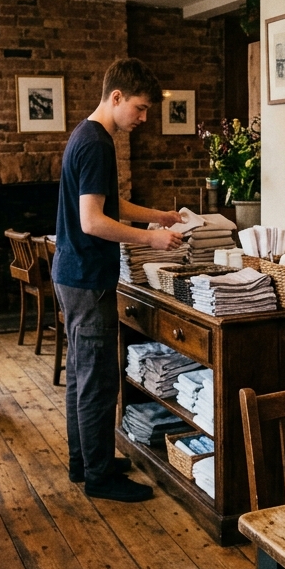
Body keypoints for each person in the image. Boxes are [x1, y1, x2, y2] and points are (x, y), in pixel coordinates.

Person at [54, 58, 184, 502]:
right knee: (97, 381)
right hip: (87, 278)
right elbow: (93, 222)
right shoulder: (97, 143)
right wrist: (154, 242)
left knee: (82, 375)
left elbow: (110, 203)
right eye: (141, 108)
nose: (144, 119)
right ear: (116, 98)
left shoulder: (87, 134)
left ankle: (85, 461)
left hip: (74, 274)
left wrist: (158, 217)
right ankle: (99, 477)